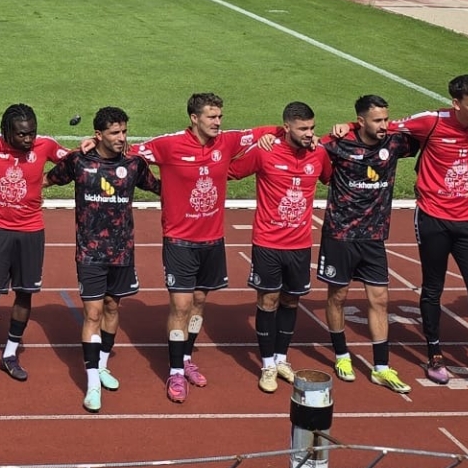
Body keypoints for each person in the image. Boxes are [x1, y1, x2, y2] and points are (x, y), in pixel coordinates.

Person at [393, 74, 468, 401]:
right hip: (432, 219)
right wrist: (346, 127)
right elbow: (383, 127)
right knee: (433, 287)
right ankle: (435, 353)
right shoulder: (430, 122)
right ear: (456, 103)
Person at [135, 93, 252, 403]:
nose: (218, 122)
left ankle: (186, 356)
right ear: (194, 118)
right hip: (179, 241)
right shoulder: (168, 144)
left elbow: (268, 132)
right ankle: (175, 371)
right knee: (181, 305)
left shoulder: (226, 142)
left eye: (220, 116)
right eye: (212, 117)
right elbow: (127, 152)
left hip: (213, 241)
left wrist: (275, 135)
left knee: (199, 302)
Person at [47, 106, 159, 412]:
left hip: (122, 251)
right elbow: (46, 179)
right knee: (93, 314)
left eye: (124, 131)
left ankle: (103, 364)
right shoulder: (79, 162)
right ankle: (92, 382)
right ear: (98, 135)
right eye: (115, 133)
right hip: (90, 252)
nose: (122, 138)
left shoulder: (134, 164)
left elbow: (160, 187)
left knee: (112, 307)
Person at [0, 104, 70, 390]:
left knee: (24, 294)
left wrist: (50, 179)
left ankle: (9, 355)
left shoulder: (45, 145)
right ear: (6, 131)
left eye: (32, 132)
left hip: (32, 232)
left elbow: (73, 162)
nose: (28, 139)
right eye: (21, 134)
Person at [314, 95, 420, 393]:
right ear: (361, 121)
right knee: (338, 297)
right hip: (340, 234)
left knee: (380, 300)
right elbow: (310, 147)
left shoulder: (396, 143)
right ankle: (341, 356)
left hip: (374, 237)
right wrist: (346, 127)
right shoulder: (337, 144)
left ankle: (381, 368)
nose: (384, 125)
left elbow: (426, 132)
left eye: (386, 119)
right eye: (377, 120)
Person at [228, 102, 329, 394]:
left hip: (301, 244)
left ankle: (282, 359)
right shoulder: (265, 151)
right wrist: (260, 140)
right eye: (303, 128)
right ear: (286, 127)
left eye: (312, 127)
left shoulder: (318, 153)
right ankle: (267, 365)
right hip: (268, 242)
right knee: (268, 300)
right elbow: (229, 170)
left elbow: (331, 177)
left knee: (291, 301)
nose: (309, 133)